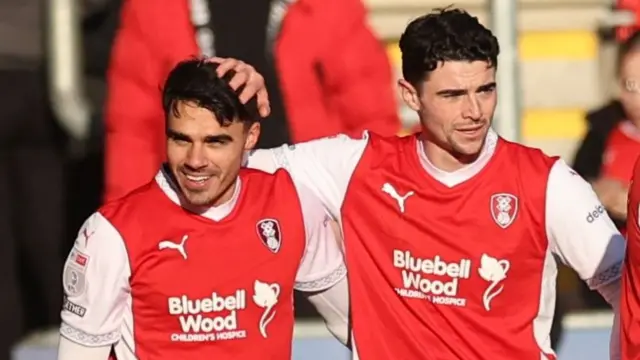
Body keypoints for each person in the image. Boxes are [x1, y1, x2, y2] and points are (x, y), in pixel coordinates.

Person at [239, 7, 624, 359]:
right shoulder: (356, 165)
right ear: (411, 95)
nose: (474, 111)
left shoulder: (547, 183)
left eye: (485, 90)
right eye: (453, 95)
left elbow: (628, 291)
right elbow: (221, 167)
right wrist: (223, 89)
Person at [57, 59, 349, 360]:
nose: (195, 160)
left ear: (251, 137)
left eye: (215, 142)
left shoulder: (292, 205)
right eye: (180, 139)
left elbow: (357, 327)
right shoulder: (112, 233)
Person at [103, 0, 400, 204]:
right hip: (194, 204)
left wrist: (366, 212)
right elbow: (132, 132)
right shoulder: (155, 8)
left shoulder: (329, 6)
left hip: (308, 207)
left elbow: (370, 123)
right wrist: (128, 230)